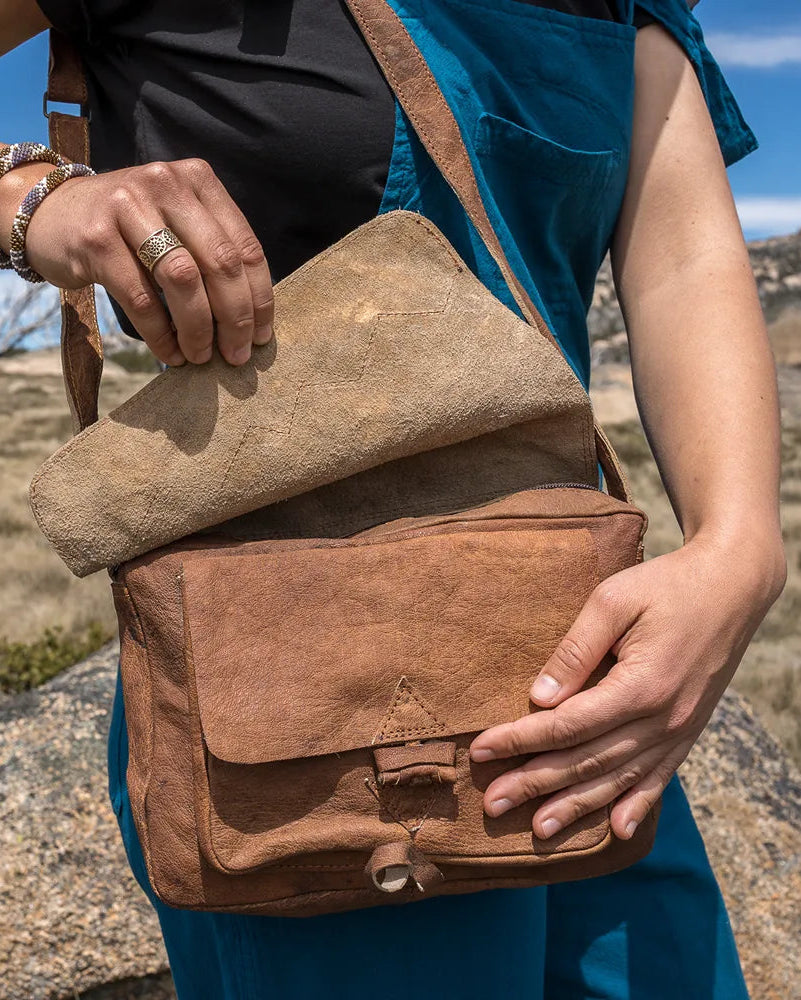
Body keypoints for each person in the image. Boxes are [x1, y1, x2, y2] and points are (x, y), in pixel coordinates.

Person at [0, 0, 786, 997]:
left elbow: (681, 258)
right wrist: (35, 202)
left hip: (568, 676)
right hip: (296, 710)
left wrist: (739, 548)